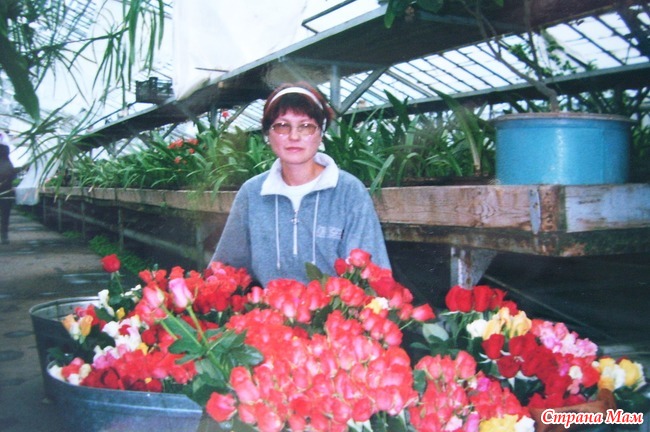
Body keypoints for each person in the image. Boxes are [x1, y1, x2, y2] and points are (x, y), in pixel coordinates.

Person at [210, 82, 391, 286]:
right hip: (268, 305)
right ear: (268, 134)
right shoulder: (252, 193)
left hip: (335, 306)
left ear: (320, 133)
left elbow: (374, 275)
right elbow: (226, 268)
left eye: (306, 126)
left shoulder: (348, 191)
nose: (294, 136)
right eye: (282, 126)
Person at [0, 135, 17, 245]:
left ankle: (4, 235)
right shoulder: (8, 162)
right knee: (5, 215)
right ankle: (4, 235)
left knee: (5, 214)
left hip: (6, 191)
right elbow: (13, 175)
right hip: (6, 192)